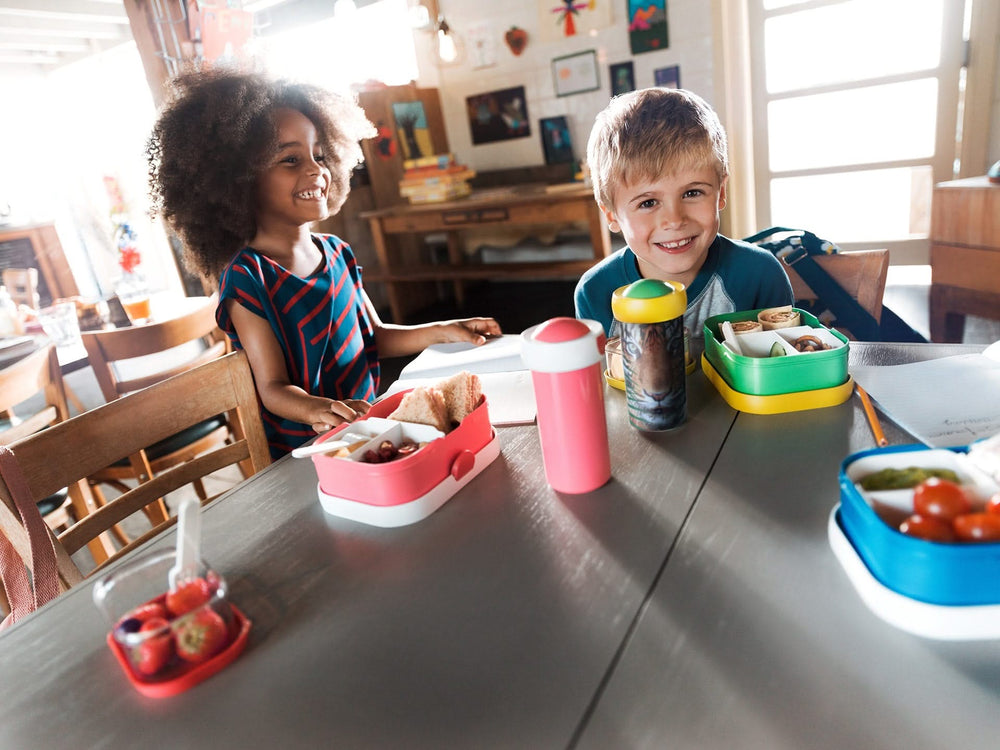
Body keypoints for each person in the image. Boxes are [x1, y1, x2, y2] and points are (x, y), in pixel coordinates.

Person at [147, 70, 500, 458]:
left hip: (368, 430)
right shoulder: (250, 278)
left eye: (318, 155)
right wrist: (317, 408)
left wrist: (441, 330)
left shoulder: (337, 252)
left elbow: (373, 338)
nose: (315, 169)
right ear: (238, 181)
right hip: (308, 451)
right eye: (290, 159)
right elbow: (273, 388)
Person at [574, 87, 793, 354]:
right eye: (648, 202)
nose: (674, 220)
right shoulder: (595, 292)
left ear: (720, 193)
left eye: (692, 193)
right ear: (611, 215)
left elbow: (786, 371)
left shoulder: (761, 276)